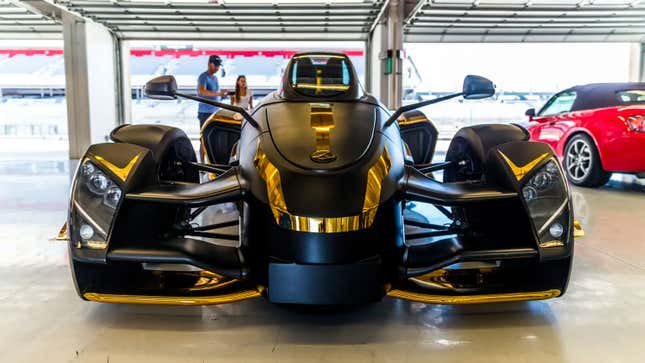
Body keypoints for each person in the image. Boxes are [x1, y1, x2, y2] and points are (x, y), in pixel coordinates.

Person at [197, 55, 227, 161]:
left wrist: (222, 94)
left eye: (219, 66)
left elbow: (215, 94)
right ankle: (201, 163)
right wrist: (219, 93)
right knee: (204, 139)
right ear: (210, 64)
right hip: (205, 112)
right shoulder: (203, 77)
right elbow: (202, 91)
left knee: (214, 139)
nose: (218, 68)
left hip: (215, 112)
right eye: (216, 65)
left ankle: (211, 163)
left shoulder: (215, 78)